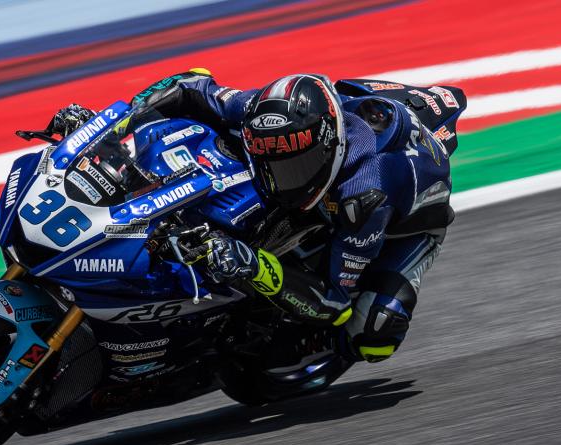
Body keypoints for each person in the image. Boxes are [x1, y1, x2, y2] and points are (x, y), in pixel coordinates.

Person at [49, 69, 465, 362]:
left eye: (294, 168)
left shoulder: (366, 195)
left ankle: (304, 354)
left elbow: (334, 299)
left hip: (410, 220)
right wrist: (111, 124)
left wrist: (253, 265)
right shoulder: (260, 112)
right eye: (270, 162)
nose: (280, 179)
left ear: (328, 150)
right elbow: (189, 85)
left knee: (371, 332)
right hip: (358, 109)